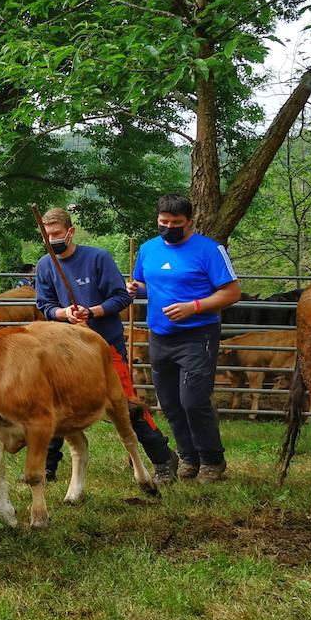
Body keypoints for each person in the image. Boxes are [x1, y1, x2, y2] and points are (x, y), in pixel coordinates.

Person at [34, 207, 179, 484]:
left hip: (104, 347)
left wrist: (93, 311)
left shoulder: (97, 258)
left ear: (70, 231)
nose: (52, 240)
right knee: (54, 404)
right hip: (65, 349)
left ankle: (163, 458)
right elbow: (45, 305)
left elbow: (121, 298)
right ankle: (47, 467)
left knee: (124, 403)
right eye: (46, 235)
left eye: (56, 234)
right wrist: (64, 313)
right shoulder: (45, 265)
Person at [129, 194, 242, 483]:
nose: (169, 227)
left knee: (193, 400)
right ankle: (188, 458)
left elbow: (231, 293)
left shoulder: (209, 250)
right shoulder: (148, 249)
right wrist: (134, 289)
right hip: (159, 335)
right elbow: (144, 284)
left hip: (197, 334)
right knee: (169, 402)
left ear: (189, 221)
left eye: (176, 223)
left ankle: (212, 461)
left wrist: (194, 307)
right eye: (163, 222)